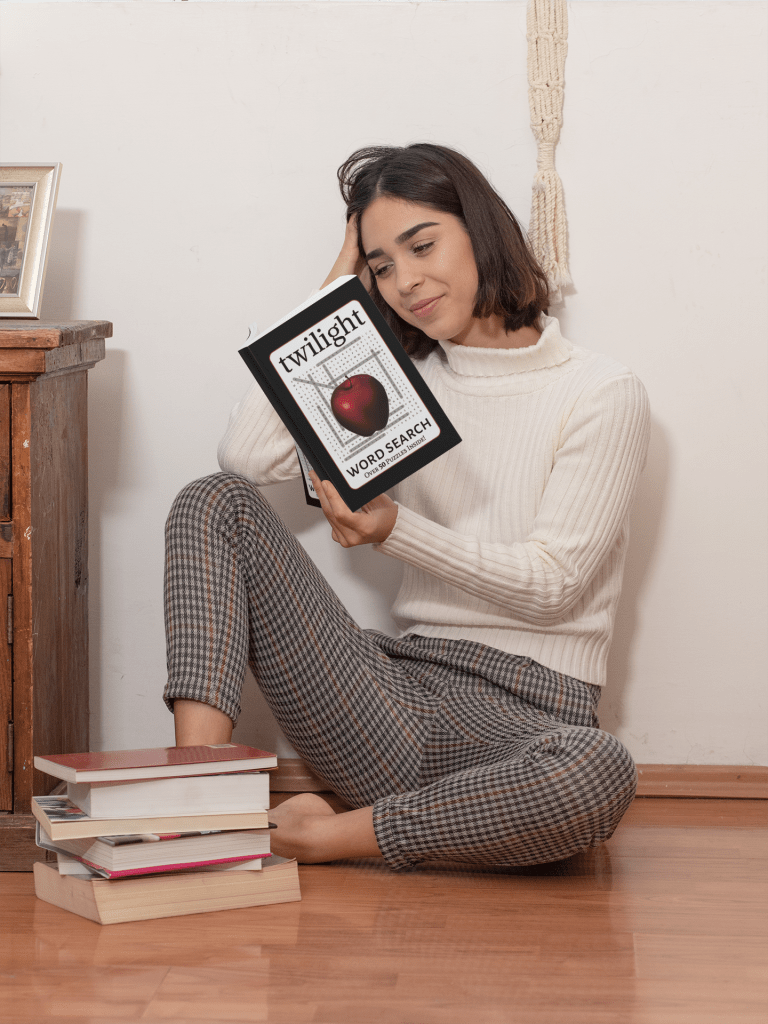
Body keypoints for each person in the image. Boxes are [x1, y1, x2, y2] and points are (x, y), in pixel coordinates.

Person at [164, 143, 650, 871]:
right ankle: (191, 807)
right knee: (214, 501)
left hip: (530, 723)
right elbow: (247, 456)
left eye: (422, 245)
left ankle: (326, 836)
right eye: (382, 265)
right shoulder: (393, 385)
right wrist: (336, 287)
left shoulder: (601, 393)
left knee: (597, 771)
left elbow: (554, 586)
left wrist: (397, 530)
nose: (406, 282)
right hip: (387, 698)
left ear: (481, 230)